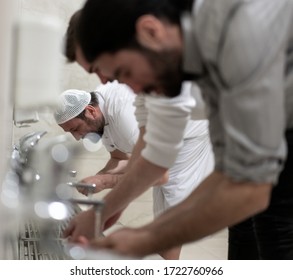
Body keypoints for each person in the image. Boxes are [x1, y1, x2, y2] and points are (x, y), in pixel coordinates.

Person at [71, 0, 293, 260]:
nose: (127, 89)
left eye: (123, 73)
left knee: (274, 225)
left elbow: (248, 188)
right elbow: (156, 155)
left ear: (150, 31)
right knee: (244, 224)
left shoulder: (240, 31)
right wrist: (105, 211)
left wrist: (143, 240)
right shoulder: (170, 63)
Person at [56, 84, 214, 259]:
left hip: (190, 133)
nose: (77, 137)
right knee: (162, 211)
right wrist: (98, 178)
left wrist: (106, 182)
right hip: (165, 133)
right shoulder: (100, 115)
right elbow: (120, 159)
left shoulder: (126, 119)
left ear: (91, 112)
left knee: (173, 209)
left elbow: (158, 175)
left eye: (75, 129)